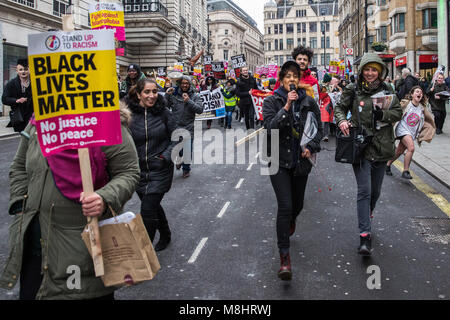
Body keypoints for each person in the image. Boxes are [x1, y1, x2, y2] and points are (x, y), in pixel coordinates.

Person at [1, 103, 140, 300]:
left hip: (81, 247)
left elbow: (128, 172)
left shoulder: (106, 121)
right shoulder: (39, 121)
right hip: (34, 246)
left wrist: (104, 197)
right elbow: (19, 167)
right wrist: (20, 205)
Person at [334, 52, 402, 256]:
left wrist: (383, 114)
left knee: (375, 192)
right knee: (364, 190)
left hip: (381, 147)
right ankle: (365, 236)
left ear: (380, 71)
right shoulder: (352, 89)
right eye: (367, 69)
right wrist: (342, 120)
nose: (370, 73)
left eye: (374, 69)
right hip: (360, 147)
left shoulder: (388, 89)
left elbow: (398, 112)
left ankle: (368, 213)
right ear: (361, 70)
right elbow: (339, 107)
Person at [263, 61, 322, 281]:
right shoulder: (271, 101)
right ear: (281, 79)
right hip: (277, 160)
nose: (291, 79)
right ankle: (285, 258)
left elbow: (319, 130)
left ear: (299, 79)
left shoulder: (309, 102)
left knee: (297, 205)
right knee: (285, 206)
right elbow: (270, 129)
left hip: (300, 162)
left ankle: (290, 221)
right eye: (287, 75)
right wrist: (286, 106)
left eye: (295, 75)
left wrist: (311, 147)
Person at [127, 79, 177, 251]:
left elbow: (177, 138)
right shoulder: (128, 115)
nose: (152, 96)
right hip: (138, 171)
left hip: (160, 170)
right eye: (147, 92)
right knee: (153, 206)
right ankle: (165, 233)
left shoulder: (164, 113)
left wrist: (165, 157)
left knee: (147, 209)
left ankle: (144, 252)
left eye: (155, 91)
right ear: (139, 94)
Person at [386, 86, 436, 179]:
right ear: (412, 94)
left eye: (421, 92)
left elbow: (428, 120)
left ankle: (387, 165)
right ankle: (406, 171)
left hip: (412, 132)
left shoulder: (422, 108)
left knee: (399, 151)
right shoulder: (406, 104)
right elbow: (395, 111)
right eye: (417, 92)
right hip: (402, 129)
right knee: (411, 148)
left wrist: (428, 129)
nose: (419, 94)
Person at [165, 75, 204, 178]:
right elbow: (164, 106)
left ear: (190, 84)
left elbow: (200, 110)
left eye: (187, 83)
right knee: (178, 149)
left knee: (187, 149)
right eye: (183, 83)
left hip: (188, 127)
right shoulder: (173, 94)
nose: (184, 85)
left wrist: (188, 101)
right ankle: (180, 159)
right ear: (179, 84)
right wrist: (166, 95)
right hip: (175, 126)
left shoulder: (195, 96)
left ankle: (186, 169)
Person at [2, 58, 33, 132]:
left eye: (25, 69)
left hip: (33, 116)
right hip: (19, 118)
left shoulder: (36, 82)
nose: (23, 72)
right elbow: (4, 99)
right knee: (24, 137)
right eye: (21, 70)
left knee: (32, 137)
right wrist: (17, 100)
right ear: (17, 71)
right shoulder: (11, 84)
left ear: (29, 70)